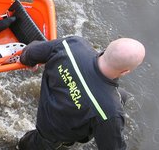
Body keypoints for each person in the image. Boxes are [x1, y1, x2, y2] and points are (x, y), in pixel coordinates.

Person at [17, 36, 146, 150]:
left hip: (48, 107)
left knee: (121, 96)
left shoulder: (72, 45)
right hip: (49, 134)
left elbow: (31, 53)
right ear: (125, 71)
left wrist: (27, 60)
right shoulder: (110, 111)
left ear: (107, 48)